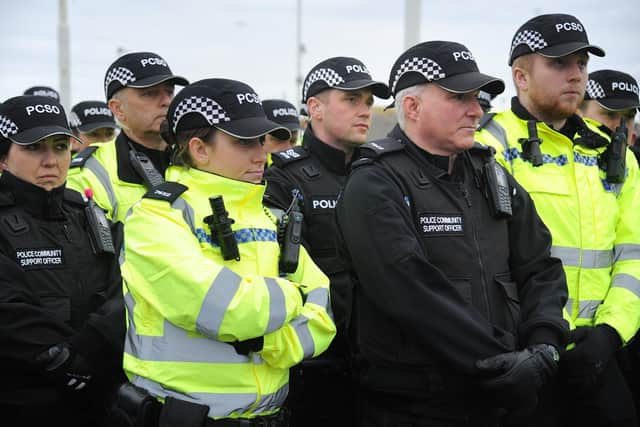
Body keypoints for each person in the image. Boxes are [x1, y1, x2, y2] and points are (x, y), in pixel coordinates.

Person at [335, 40, 569, 427]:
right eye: (459, 97)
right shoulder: (375, 181)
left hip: (508, 394)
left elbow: (539, 264)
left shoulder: (489, 173)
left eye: (477, 98)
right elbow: (409, 289)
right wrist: (503, 360)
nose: (476, 110)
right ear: (412, 107)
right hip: (417, 404)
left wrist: (545, 343)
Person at [116, 78, 335, 426]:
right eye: (244, 141)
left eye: (262, 140)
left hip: (273, 416)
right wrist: (293, 295)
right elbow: (223, 308)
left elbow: (323, 312)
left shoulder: (271, 214)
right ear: (200, 149)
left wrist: (268, 342)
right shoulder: (155, 216)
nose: (261, 153)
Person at [475, 13, 640, 427]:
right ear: (521, 76)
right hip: (524, 354)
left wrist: (610, 333)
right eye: (559, 63)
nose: (575, 74)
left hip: (601, 352)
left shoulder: (615, 156)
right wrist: (537, 340)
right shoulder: (487, 146)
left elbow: (634, 256)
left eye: (581, 64)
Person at [264, 56, 389, 427]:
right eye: (351, 100)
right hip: (318, 363)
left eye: (368, 101)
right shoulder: (284, 178)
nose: (365, 110)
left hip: (381, 361)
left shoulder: (381, 171)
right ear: (315, 108)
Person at [0, 95, 125, 426]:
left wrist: (93, 348)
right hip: (22, 400)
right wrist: (69, 359)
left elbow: (126, 285)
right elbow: (9, 309)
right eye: (33, 148)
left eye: (59, 147)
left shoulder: (89, 213)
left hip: (101, 397)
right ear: (3, 157)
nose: (51, 160)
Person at [66, 51, 188, 223]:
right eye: (150, 93)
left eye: (169, 92)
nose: (166, 101)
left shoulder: (200, 157)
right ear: (118, 109)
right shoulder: (88, 173)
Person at [579, 69, 639, 157]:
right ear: (578, 113)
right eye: (610, 114)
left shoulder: (633, 164)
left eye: (629, 116)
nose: (619, 126)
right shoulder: (559, 158)